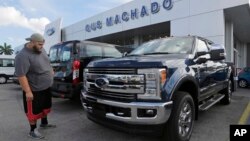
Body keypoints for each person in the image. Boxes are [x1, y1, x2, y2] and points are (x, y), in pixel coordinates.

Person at [15, 33, 56, 139]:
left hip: (46, 86)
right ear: (31, 42)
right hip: (34, 89)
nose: (42, 47)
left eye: (42, 44)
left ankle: (44, 123)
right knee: (33, 111)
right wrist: (28, 91)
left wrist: (51, 70)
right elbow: (21, 75)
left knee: (45, 107)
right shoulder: (22, 56)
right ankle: (32, 131)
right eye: (39, 44)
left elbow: (47, 62)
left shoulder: (41, 50)